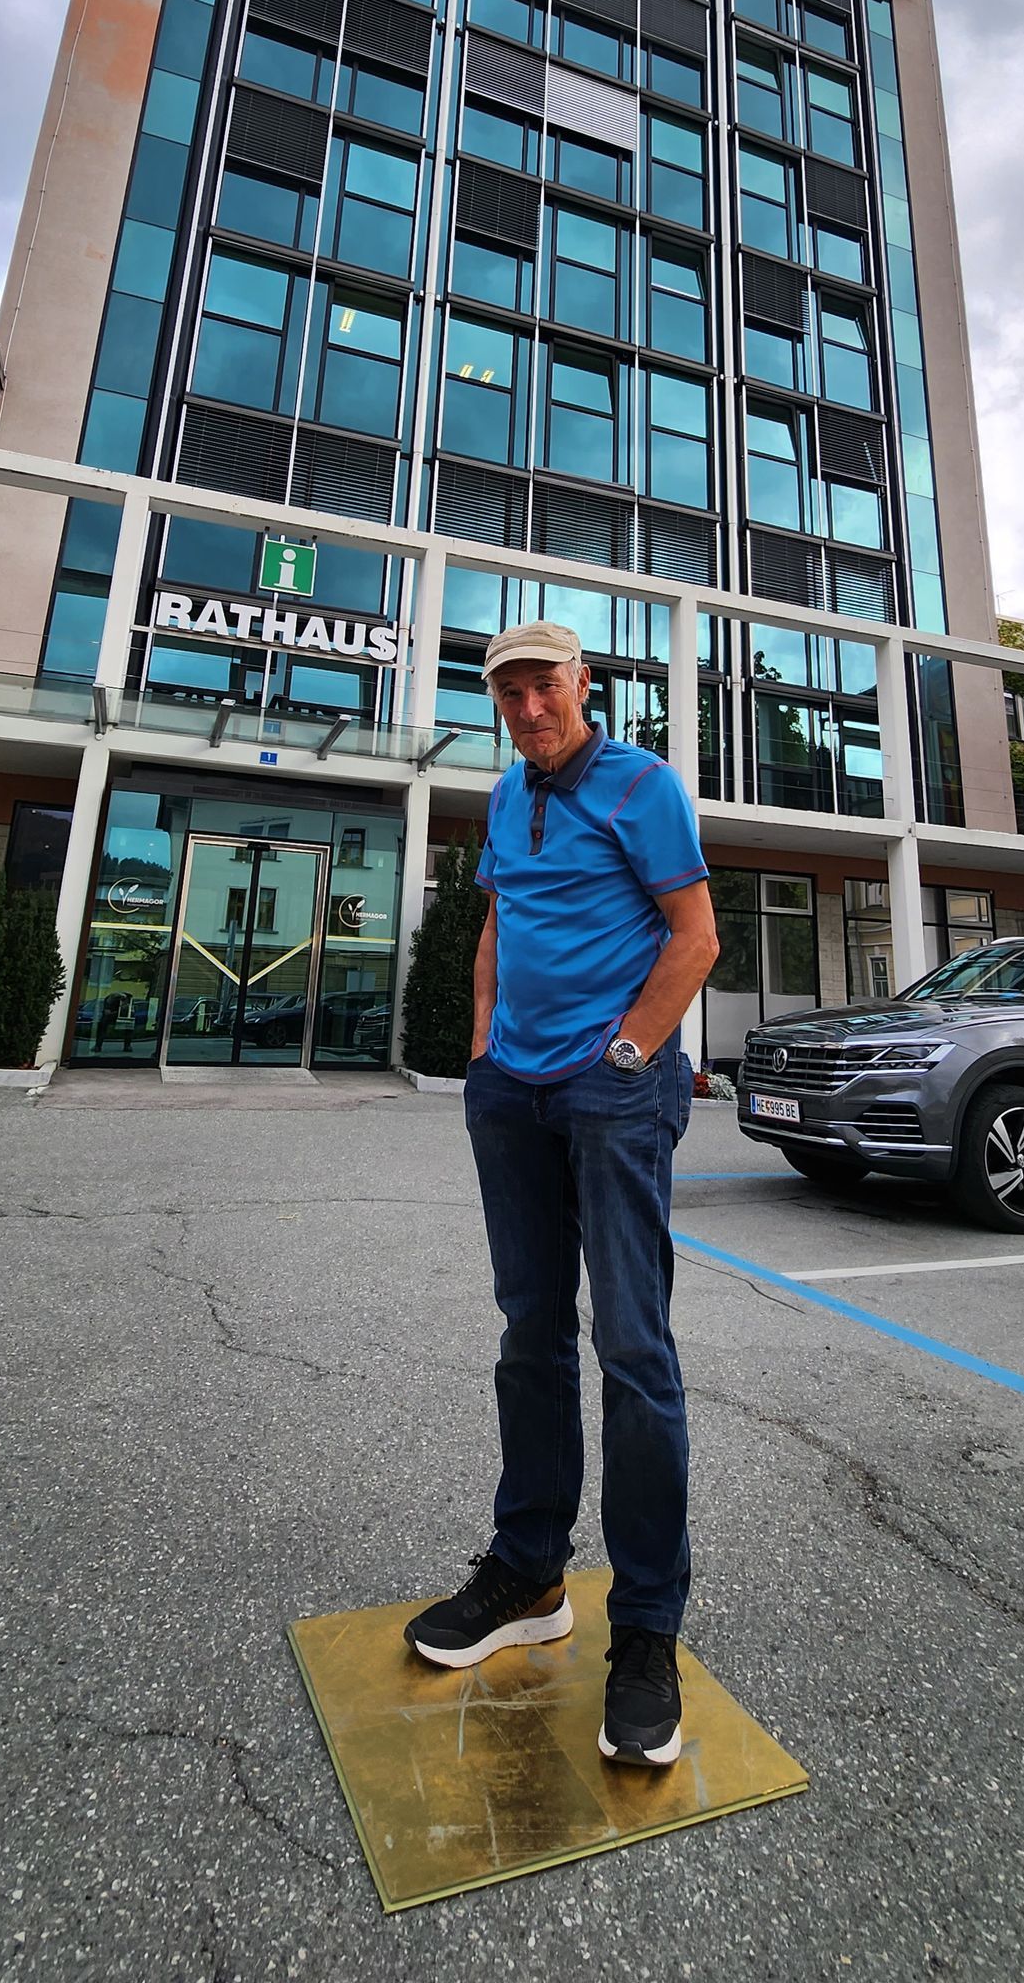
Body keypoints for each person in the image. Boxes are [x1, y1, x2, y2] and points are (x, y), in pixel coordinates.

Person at [404, 622, 720, 1766]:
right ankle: (532, 1568)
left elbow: (696, 938)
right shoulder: (504, 794)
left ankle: (645, 1629)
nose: (527, 705)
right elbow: (499, 920)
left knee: (634, 1348)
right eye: (509, 689)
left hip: (615, 1095)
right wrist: (484, 1042)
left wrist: (629, 1055)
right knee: (530, 1332)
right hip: (514, 1094)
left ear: (583, 684)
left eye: (544, 684)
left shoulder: (642, 786)